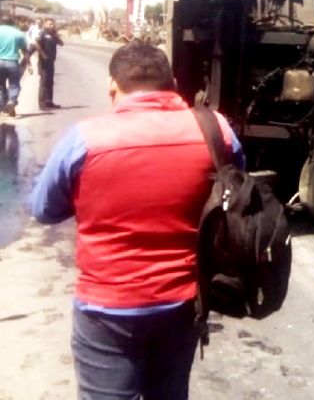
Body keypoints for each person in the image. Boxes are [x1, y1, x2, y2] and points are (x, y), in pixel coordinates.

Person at [31, 41, 245, 399]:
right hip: (185, 302)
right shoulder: (217, 130)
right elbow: (234, 193)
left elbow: (44, 210)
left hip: (107, 309)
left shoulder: (84, 139)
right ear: (173, 84)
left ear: (113, 88)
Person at [0, 14, 31, 117]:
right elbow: (25, 50)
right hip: (12, 62)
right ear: (12, 23)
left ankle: (3, 107)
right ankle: (12, 101)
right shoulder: (19, 34)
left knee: (0, 86)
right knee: (14, 84)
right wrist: (28, 63)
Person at [36, 18, 64, 110]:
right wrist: (43, 55)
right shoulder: (42, 33)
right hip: (43, 62)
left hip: (51, 62)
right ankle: (42, 104)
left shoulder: (53, 35)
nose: (52, 26)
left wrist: (55, 34)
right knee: (44, 83)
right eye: (50, 24)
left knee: (50, 82)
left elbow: (61, 43)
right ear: (45, 24)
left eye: (53, 24)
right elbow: (36, 44)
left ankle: (49, 102)